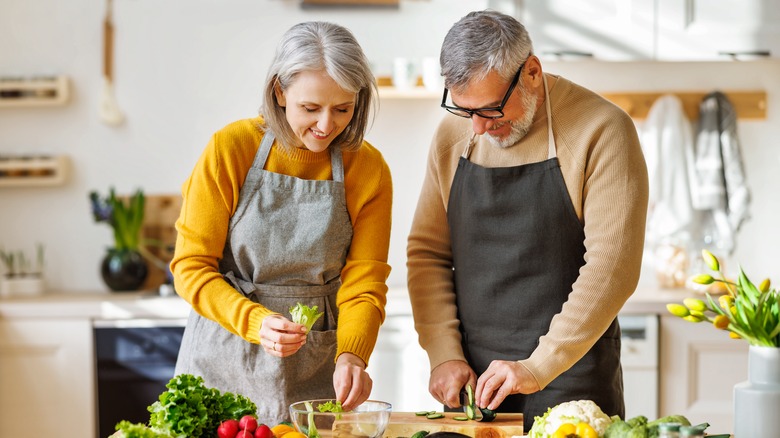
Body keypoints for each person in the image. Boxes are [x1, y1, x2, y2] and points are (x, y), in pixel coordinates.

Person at [406, 10, 649, 432]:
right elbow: (427, 253)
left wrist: (538, 366)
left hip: (573, 381)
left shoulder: (602, 130)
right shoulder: (453, 135)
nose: (479, 127)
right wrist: (444, 354)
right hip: (475, 389)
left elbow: (613, 268)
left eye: (491, 109)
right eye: (465, 110)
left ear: (532, 71)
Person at [171, 21, 393, 425]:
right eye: (311, 108)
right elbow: (190, 268)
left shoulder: (369, 168)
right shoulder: (231, 148)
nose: (327, 126)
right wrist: (255, 321)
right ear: (279, 91)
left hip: (315, 369)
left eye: (343, 109)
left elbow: (365, 282)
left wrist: (352, 354)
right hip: (225, 354)